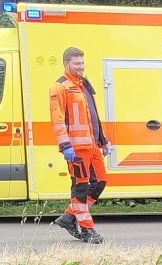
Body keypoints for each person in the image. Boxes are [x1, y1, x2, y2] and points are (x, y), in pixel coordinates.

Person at [49, 47, 110, 244]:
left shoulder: (84, 85)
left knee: (100, 182)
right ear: (66, 64)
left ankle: (68, 217)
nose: (81, 67)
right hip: (75, 149)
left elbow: (92, 115)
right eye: (77, 64)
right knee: (81, 187)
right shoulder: (60, 87)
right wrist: (65, 145)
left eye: (82, 63)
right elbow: (57, 119)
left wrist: (103, 139)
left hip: (92, 146)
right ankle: (87, 230)